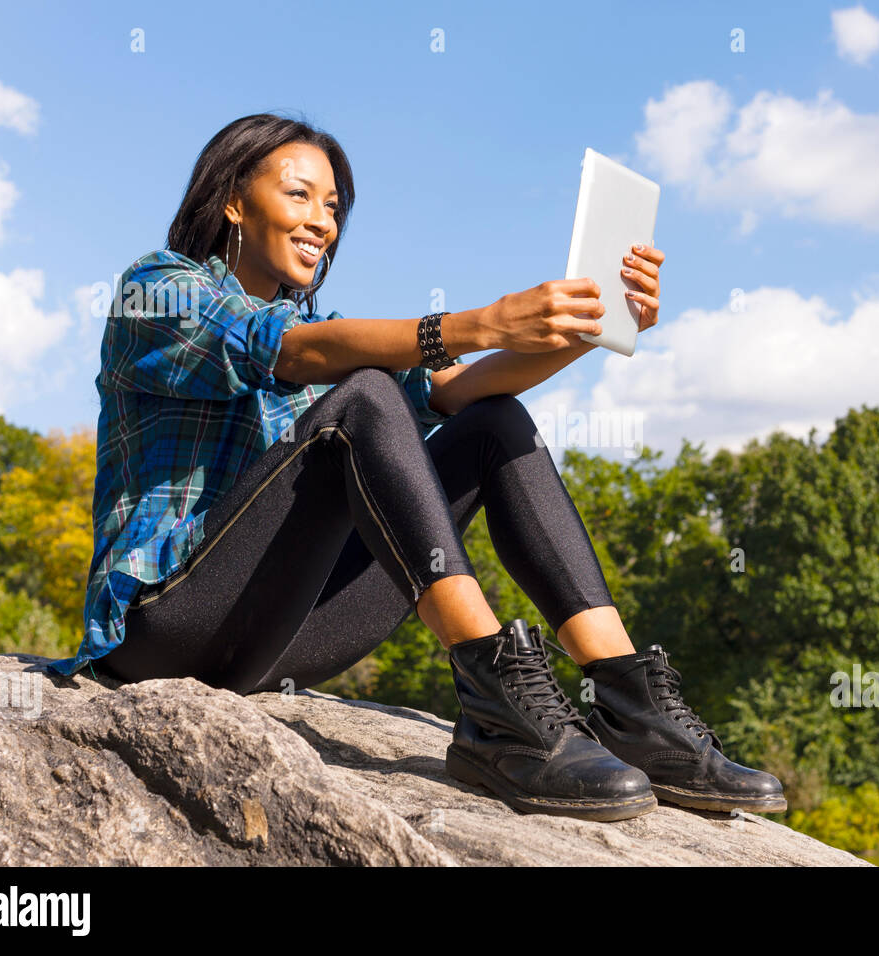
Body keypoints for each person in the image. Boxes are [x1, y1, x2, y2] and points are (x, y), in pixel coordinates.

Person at [46, 112, 786, 822]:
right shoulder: (162, 288)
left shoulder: (328, 334)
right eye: (298, 194)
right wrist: (480, 321)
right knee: (363, 396)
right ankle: (495, 700)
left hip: (271, 642)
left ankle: (633, 706)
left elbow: (455, 389)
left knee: (492, 425)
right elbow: (288, 351)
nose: (321, 221)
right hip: (160, 628)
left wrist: (595, 328)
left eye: (332, 206)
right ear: (236, 200)